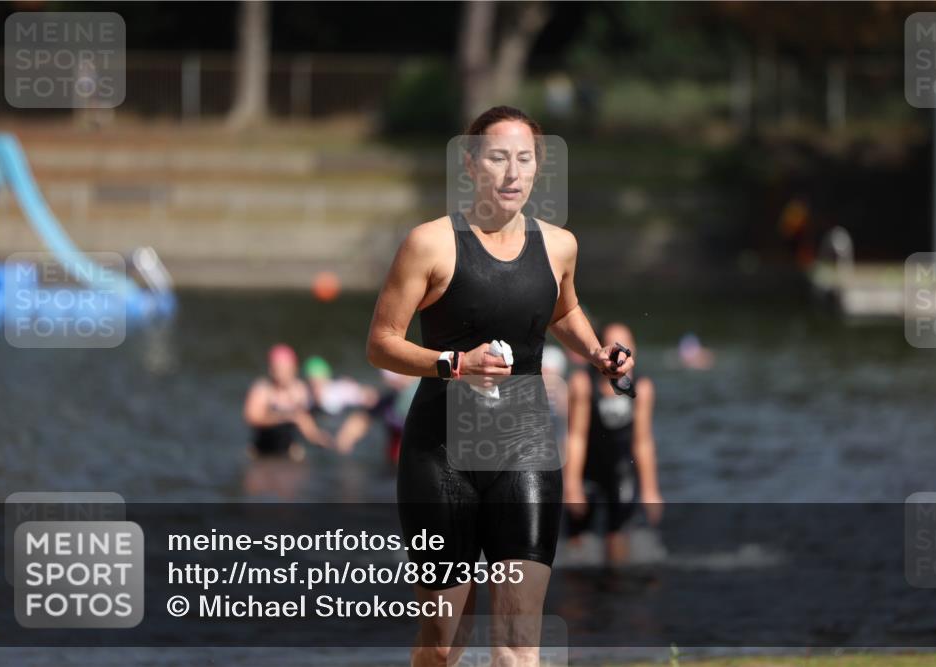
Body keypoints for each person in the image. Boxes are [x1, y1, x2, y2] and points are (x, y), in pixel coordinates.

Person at [365, 105, 634, 667]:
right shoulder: (430, 244)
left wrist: (597, 354)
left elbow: (562, 310)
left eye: (524, 159)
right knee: (445, 643)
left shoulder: (560, 245)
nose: (512, 173)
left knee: (518, 645)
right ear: (470, 165)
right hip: (441, 452)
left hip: (523, 443)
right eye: (497, 158)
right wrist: (453, 364)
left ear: (538, 168)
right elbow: (382, 342)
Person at [564, 322, 664, 566]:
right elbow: (575, 437)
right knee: (577, 539)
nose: (622, 352)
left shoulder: (642, 387)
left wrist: (651, 490)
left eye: (627, 345)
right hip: (588, 468)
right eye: (615, 345)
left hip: (621, 471)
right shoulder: (582, 383)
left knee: (617, 536)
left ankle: (616, 588)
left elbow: (643, 442)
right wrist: (572, 484)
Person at [243, 344, 332, 460]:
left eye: (286, 370)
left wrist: (316, 436)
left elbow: (303, 418)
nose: (282, 374)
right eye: (279, 370)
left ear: (294, 368)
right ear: (271, 370)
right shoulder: (263, 390)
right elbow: (252, 417)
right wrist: (284, 417)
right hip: (262, 450)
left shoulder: (301, 390)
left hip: (291, 450)